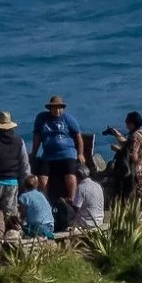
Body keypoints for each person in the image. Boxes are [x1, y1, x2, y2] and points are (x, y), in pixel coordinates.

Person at [32, 96, 86, 233]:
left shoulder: (68, 119)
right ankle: (43, 203)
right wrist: (33, 152)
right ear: (50, 108)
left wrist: (80, 153)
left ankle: (71, 201)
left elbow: (78, 136)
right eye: (54, 107)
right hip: (48, 155)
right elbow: (37, 136)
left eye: (59, 107)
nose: (57, 110)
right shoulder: (42, 119)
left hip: (67, 154)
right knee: (42, 181)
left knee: (70, 177)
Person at [0, 111, 29, 241]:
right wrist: (26, 182)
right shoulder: (19, 142)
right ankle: (10, 237)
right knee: (10, 211)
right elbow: (25, 164)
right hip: (12, 181)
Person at [103, 112, 142, 222]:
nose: (125, 123)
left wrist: (117, 150)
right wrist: (116, 134)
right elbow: (128, 144)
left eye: (127, 121)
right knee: (141, 197)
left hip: (135, 172)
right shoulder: (141, 133)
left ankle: (132, 220)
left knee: (129, 198)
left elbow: (133, 155)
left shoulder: (134, 137)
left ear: (132, 123)